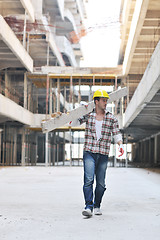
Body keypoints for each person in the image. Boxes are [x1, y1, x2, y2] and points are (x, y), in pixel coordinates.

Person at [74, 89, 124, 217]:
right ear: (96, 102)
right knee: (88, 180)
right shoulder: (89, 115)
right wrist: (81, 110)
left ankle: (97, 205)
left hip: (103, 154)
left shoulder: (111, 118)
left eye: (106, 100)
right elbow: (74, 121)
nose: (106, 103)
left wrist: (120, 145)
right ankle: (88, 206)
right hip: (89, 152)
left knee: (101, 184)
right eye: (103, 100)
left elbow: (117, 133)